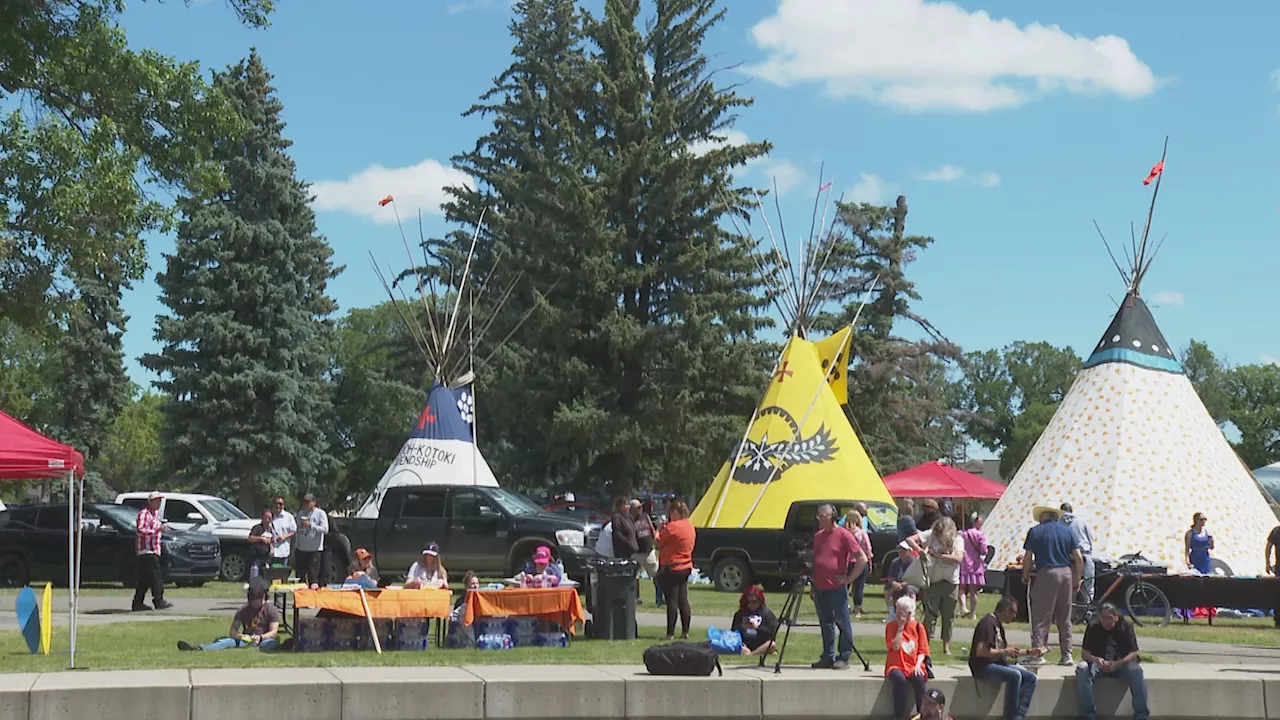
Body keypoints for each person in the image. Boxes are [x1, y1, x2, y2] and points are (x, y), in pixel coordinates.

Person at [1021, 503, 1082, 666]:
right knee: (1065, 616)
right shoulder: (1067, 531)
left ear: (1042, 516)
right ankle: (1067, 654)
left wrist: (1025, 574)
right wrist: (1078, 577)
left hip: (1047, 572)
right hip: (1066, 573)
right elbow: (1078, 557)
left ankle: (1038, 652)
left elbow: (1028, 557)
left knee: (1041, 615)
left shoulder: (1035, 531)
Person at [810, 503, 867, 670]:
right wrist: (813, 585)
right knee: (826, 623)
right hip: (820, 587)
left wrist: (849, 579)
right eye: (818, 516)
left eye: (822, 516)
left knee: (842, 622)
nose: (819, 520)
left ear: (832, 517)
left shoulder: (844, 535)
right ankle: (827, 656)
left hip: (836, 588)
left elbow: (862, 558)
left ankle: (844, 656)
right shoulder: (818, 536)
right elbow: (816, 560)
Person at [1076, 603, 1149, 720]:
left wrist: (1118, 663)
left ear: (1117, 616)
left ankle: (1141, 715)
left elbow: (1134, 652)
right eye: (1102, 618)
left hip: (1121, 664)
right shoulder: (1093, 626)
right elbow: (1084, 653)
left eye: (1109, 618)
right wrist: (1096, 659)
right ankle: (1087, 714)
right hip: (1098, 664)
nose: (1105, 622)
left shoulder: (1126, 625)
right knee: (1082, 668)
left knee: (1136, 671)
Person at [968, 596, 1038, 720]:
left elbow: (1006, 652)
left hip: (997, 664)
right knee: (1015, 675)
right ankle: (1010, 717)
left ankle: (1018, 715)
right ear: (1006, 610)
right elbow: (980, 651)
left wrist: (1030, 652)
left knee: (1031, 678)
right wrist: (1004, 651)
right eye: (1013, 613)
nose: (1014, 617)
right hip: (983, 667)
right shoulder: (987, 624)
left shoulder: (998, 625)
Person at [909, 516, 963, 654]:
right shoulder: (931, 535)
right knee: (930, 615)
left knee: (948, 616)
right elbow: (909, 539)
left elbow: (958, 558)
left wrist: (939, 556)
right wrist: (919, 549)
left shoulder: (958, 540)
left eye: (941, 531)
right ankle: (925, 645)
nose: (938, 534)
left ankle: (946, 646)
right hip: (933, 581)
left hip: (951, 583)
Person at [177, 583, 280, 651]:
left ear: (263, 598)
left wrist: (260, 637)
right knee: (225, 642)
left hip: (264, 639)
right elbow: (233, 631)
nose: (255, 604)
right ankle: (199, 648)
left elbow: (274, 632)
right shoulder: (244, 610)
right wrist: (241, 636)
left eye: (257, 601)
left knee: (270, 644)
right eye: (253, 601)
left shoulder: (270, 609)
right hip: (246, 639)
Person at [884, 596, 930, 720]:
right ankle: (899, 715)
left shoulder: (919, 627)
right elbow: (894, 647)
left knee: (919, 679)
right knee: (899, 679)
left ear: (909, 612)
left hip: (914, 664)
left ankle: (922, 714)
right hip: (896, 665)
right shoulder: (891, 626)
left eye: (902, 610)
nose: (898, 612)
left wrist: (917, 666)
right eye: (897, 609)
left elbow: (922, 650)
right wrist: (900, 628)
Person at [656, 500, 696, 640]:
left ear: (674, 512)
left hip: (672, 567)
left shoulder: (672, 527)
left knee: (671, 601)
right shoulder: (689, 525)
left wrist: (658, 529)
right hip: (686, 566)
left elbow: (658, 542)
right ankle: (685, 631)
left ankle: (670, 633)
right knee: (683, 600)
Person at [133, 491, 173, 611]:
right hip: (146, 550)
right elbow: (141, 530)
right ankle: (158, 600)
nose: (159, 503)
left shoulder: (155, 514)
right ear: (150, 502)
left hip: (154, 549)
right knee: (156, 576)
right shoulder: (144, 514)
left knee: (144, 579)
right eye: (157, 500)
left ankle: (137, 603)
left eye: (160, 500)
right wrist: (157, 530)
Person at [1059, 503, 1095, 604]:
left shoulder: (1059, 524)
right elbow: (1090, 538)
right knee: (1088, 586)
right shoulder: (1081, 521)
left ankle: (1072, 612)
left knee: (1071, 586)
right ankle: (1088, 609)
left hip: (1070, 557)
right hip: (1085, 554)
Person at [731, 585, 778, 656]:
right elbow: (733, 632)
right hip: (745, 644)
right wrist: (742, 627)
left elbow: (772, 634)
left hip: (761, 644)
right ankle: (748, 652)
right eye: (748, 602)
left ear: (760, 601)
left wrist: (757, 628)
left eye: (754, 601)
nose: (751, 604)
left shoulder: (767, 613)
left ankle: (751, 654)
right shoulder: (740, 614)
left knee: (772, 645)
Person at [294, 493, 330, 587]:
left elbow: (325, 529)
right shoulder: (300, 514)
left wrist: (311, 525)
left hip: (314, 550)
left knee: (313, 577)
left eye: (308, 502)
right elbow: (297, 531)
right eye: (305, 502)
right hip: (301, 549)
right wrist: (296, 547)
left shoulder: (320, 513)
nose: (306, 504)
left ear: (314, 502)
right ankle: (300, 599)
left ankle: (313, 599)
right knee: (300, 578)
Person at [630, 499, 661, 605]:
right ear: (632, 509)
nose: (641, 509)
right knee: (635, 576)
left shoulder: (645, 516)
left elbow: (652, 530)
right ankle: (636, 598)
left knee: (656, 574)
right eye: (638, 507)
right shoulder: (629, 520)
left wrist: (655, 539)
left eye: (641, 507)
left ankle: (659, 598)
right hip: (636, 552)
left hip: (649, 551)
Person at [959, 512, 988, 618]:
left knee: (961, 587)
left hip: (963, 563)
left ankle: (963, 607)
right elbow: (984, 551)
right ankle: (973, 613)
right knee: (973, 590)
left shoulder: (962, 534)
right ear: (976, 522)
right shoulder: (980, 535)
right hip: (975, 565)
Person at [845, 509, 873, 619]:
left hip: (847, 562)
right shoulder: (861, 533)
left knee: (844, 586)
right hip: (861, 562)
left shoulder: (844, 533)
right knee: (859, 587)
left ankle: (844, 606)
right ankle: (857, 611)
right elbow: (868, 549)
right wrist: (870, 563)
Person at [885, 542, 917, 621]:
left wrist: (903, 584)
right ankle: (892, 613)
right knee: (887, 590)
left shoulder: (915, 562)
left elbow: (915, 578)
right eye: (899, 550)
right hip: (898, 584)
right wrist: (894, 584)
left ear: (910, 551)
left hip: (911, 583)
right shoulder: (895, 562)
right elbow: (891, 578)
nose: (901, 552)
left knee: (910, 590)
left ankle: (911, 614)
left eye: (904, 550)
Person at [270, 496, 297, 570]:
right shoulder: (270, 516)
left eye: (280, 504)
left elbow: (294, 531)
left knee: (282, 573)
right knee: (272, 573)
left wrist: (284, 537)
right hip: (272, 551)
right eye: (276, 503)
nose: (278, 505)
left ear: (284, 505)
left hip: (284, 550)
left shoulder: (289, 517)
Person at [246, 508, 274, 579]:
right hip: (256, 557)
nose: (268, 520)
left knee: (266, 576)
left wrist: (271, 548)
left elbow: (271, 541)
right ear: (262, 518)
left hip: (266, 557)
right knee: (255, 574)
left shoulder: (270, 529)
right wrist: (261, 538)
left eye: (269, 518)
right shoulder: (257, 528)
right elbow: (250, 538)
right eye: (266, 518)